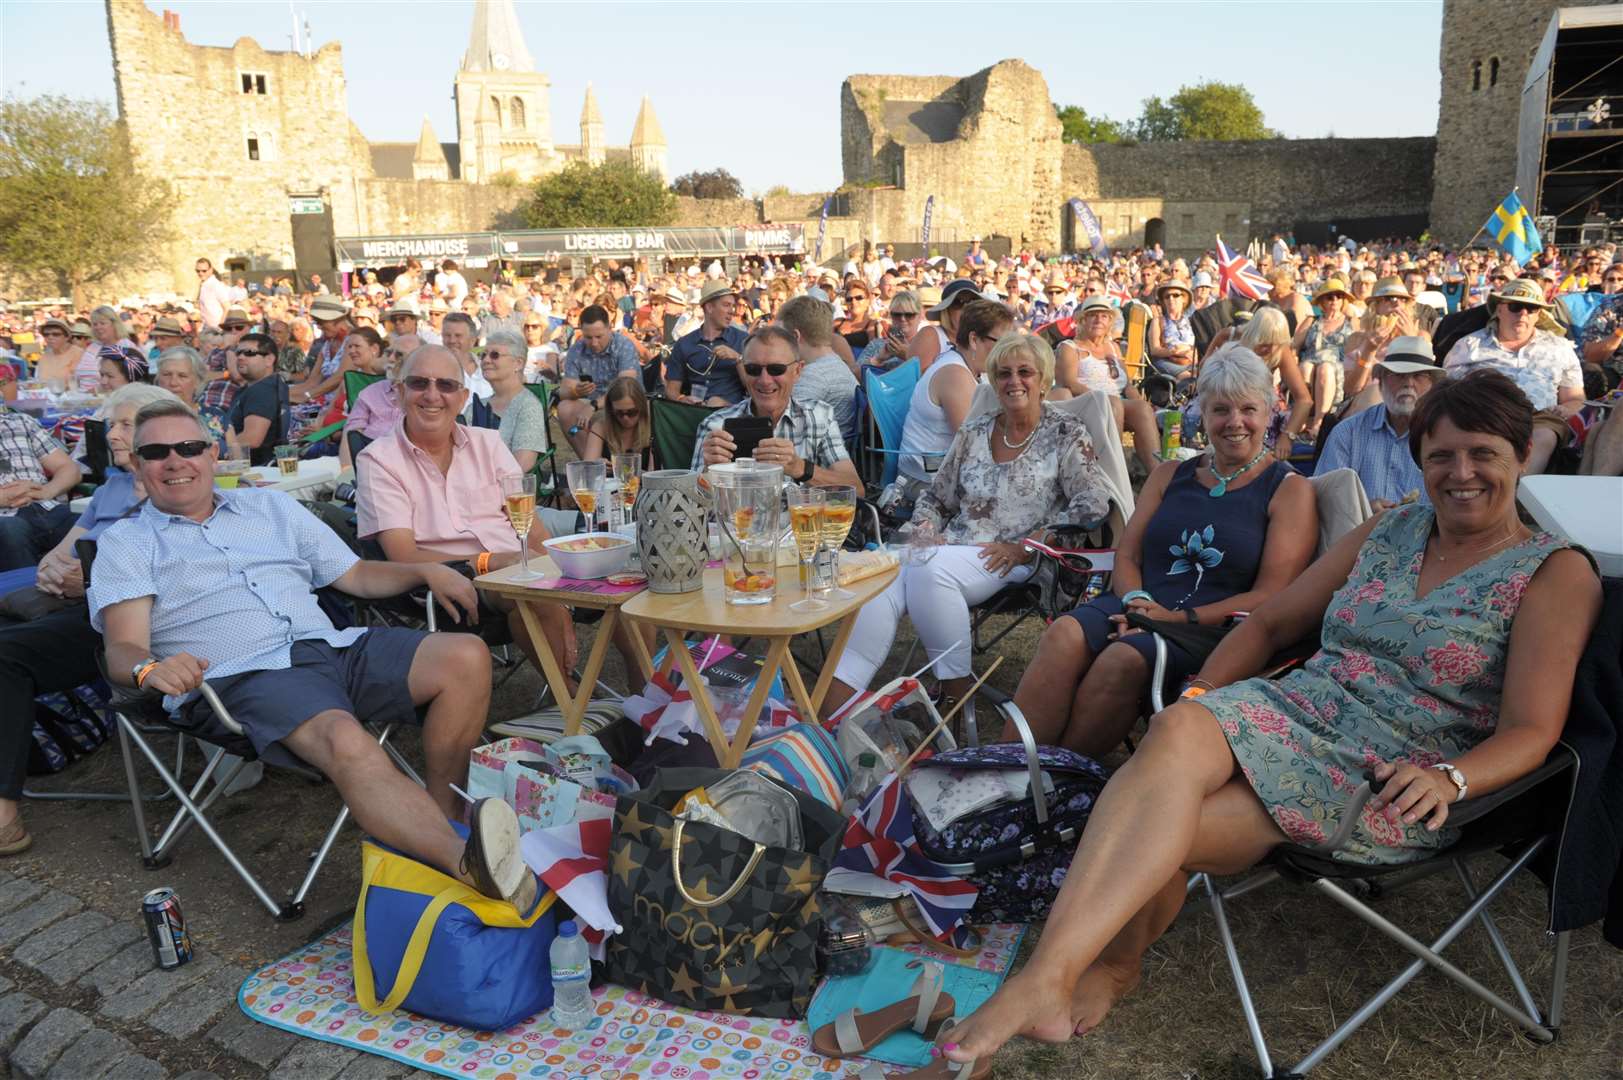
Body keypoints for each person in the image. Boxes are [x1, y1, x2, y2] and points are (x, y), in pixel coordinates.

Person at [940, 371, 1602, 1067]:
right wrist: (1201, 691)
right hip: (1295, 708)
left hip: (1391, 772)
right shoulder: (1393, 528)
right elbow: (1271, 623)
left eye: (1481, 454)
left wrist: (1450, 779)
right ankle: (1052, 977)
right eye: (1440, 456)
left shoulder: (1551, 573)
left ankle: (1098, 968)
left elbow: (1531, 728)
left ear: (1522, 453)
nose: (1459, 473)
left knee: (1159, 817)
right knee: (1174, 731)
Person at [88, 398, 538, 911]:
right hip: (246, 674)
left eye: (189, 447)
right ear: (136, 464)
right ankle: (466, 863)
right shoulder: (127, 542)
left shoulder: (270, 507)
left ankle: (441, 821)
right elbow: (122, 646)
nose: (175, 461)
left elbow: (354, 576)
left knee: (465, 656)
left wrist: (427, 571)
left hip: (329, 648)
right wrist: (150, 668)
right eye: (156, 451)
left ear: (213, 454)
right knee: (345, 737)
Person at [1012, 347, 1318, 756]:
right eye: (1220, 409)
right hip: (1138, 600)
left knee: (1123, 659)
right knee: (1064, 634)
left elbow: (1270, 596)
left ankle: (1056, 779)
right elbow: (1128, 555)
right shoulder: (1170, 474)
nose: (1235, 422)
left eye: (1248, 409)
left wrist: (1170, 619)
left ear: (1269, 412)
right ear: (1202, 414)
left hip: (1210, 627)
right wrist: (1138, 601)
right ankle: (1005, 773)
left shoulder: (1288, 489)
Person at [821, 334, 1113, 718]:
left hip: (1016, 555)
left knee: (929, 570)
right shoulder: (975, 431)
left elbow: (1092, 504)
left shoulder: (1066, 432)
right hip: (955, 546)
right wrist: (925, 526)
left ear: (1043, 380)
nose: (1014, 382)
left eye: (1025, 372)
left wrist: (1033, 544)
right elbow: (937, 496)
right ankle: (830, 709)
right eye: (1004, 373)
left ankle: (957, 703)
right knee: (883, 575)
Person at [0, 382, 179, 856]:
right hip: (70, 602)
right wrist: (56, 569)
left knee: (7, 657)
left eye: (125, 424)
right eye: (111, 423)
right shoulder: (113, 486)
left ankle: (3, 816)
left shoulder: (176, 485)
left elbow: (176, 570)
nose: (112, 434)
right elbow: (60, 552)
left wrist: (93, 580)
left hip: (128, 622)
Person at [1442, 278, 1584, 474]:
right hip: (1483, 416)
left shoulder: (1560, 347)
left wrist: (1565, 409)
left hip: (1539, 418)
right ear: (1499, 309)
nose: (1523, 313)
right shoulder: (1469, 345)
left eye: (1531, 308)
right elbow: (1445, 392)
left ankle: (1514, 497)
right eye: (1515, 306)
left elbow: (1575, 399)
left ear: (1538, 315)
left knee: (1543, 436)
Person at [694, 326, 862, 489]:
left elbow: (855, 488)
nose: (765, 380)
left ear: (797, 371)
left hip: (801, 516)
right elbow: (690, 506)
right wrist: (709, 472)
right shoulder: (716, 425)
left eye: (776, 369)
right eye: (753, 369)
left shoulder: (819, 416)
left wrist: (801, 468)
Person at [897, 300, 1012, 494]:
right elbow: (976, 445)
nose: (1006, 351)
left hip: (942, 472)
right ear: (974, 340)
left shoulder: (967, 367)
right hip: (924, 483)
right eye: (1001, 343)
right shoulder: (954, 375)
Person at [1315, 336, 1441, 508]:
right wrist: (1364, 510)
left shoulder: (1443, 435)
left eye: (1419, 376)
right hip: (1361, 532)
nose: (1409, 384)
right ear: (1381, 381)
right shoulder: (1348, 432)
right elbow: (1324, 499)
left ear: (1432, 384)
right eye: (1399, 375)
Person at [1056, 296, 1160, 473]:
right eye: (1093, 315)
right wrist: (1101, 398)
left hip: (1116, 401)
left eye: (1104, 316)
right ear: (1082, 320)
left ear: (1110, 321)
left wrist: (1139, 399)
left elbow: (1127, 385)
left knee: (1142, 408)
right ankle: (1115, 472)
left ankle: (1157, 473)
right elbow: (1070, 383)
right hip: (1084, 402)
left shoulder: (1113, 347)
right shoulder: (1070, 347)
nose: (1098, 320)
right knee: (1113, 404)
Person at [0, 404, 82, 572]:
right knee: (11, 531)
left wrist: (48, 490)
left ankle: (88, 591)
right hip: (5, 518)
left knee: (88, 523)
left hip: (47, 507)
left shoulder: (21, 422)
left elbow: (69, 469)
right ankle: (22, 595)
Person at [559, 305, 640, 456]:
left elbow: (625, 387)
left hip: (625, 404)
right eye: (588, 337)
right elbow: (563, 391)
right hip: (593, 405)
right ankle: (591, 463)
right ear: (581, 331)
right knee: (564, 408)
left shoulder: (623, 345)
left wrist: (593, 406)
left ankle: (602, 461)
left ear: (610, 328)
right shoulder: (577, 350)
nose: (594, 343)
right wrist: (575, 391)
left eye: (599, 337)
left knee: (615, 407)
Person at [778, 295, 859, 438]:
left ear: (796, 336)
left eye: (780, 336)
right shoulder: (835, 364)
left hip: (812, 455)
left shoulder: (813, 375)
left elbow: (783, 429)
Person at [665, 280, 747, 406]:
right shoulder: (684, 344)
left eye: (732, 306)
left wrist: (738, 359)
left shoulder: (743, 340)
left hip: (733, 416)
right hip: (695, 414)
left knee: (715, 402)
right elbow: (671, 390)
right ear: (709, 307)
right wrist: (681, 399)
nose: (732, 311)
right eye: (726, 305)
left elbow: (754, 387)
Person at [477, 330, 549, 473]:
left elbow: (521, 465)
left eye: (495, 355)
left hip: (505, 490)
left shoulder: (528, 406)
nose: (485, 360)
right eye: (483, 354)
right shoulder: (476, 406)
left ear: (518, 363)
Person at [341, 335, 415, 467]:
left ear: (418, 361)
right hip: (363, 463)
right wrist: (348, 472)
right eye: (388, 353)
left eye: (399, 355)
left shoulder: (427, 397)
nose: (391, 359)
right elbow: (351, 434)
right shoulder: (370, 393)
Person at [1292, 277, 1358, 426]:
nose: (1334, 300)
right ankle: (1301, 416)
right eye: (1329, 297)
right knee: (1305, 367)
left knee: (1325, 369)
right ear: (1322, 301)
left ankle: (1319, 421)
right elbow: (1294, 345)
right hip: (1310, 360)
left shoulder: (1351, 321)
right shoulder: (1312, 320)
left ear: (1343, 301)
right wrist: (1292, 360)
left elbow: (1358, 348)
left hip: (1337, 364)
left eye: (1339, 296)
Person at [223, 332, 283, 467]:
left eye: (249, 353)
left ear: (269, 359)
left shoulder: (262, 389)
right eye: (238, 353)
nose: (241, 357)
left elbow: (252, 438)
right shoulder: (250, 389)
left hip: (255, 471)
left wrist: (214, 447)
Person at [156, 346, 230, 451]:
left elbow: (237, 459)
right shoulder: (145, 418)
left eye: (182, 376)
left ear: (197, 382)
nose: (173, 382)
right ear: (158, 379)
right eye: (167, 374)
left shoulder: (217, 417)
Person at [580, 375, 653, 469]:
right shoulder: (601, 426)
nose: (625, 418)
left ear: (642, 407)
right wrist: (597, 465)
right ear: (611, 410)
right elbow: (587, 467)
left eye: (632, 412)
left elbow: (654, 473)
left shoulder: (653, 426)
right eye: (619, 413)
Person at [1148, 277, 1198, 381]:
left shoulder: (1193, 321)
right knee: (1188, 377)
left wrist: (1194, 353)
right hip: (1167, 362)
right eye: (1167, 296)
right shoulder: (1158, 321)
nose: (1171, 299)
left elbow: (1199, 345)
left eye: (1175, 295)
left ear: (1184, 298)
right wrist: (1174, 351)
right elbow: (1154, 350)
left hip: (1192, 361)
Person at [33, 319, 80, 385]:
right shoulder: (45, 356)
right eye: (46, 334)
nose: (50, 337)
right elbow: (39, 381)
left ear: (66, 337)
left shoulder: (78, 354)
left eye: (56, 334)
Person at [195, 257, 231, 330]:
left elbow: (227, 308)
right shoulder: (203, 285)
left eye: (204, 271)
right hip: (207, 329)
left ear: (211, 270)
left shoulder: (216, 285)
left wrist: (220, 329)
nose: (200, 273)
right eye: (197, 271)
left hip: (217, 331)